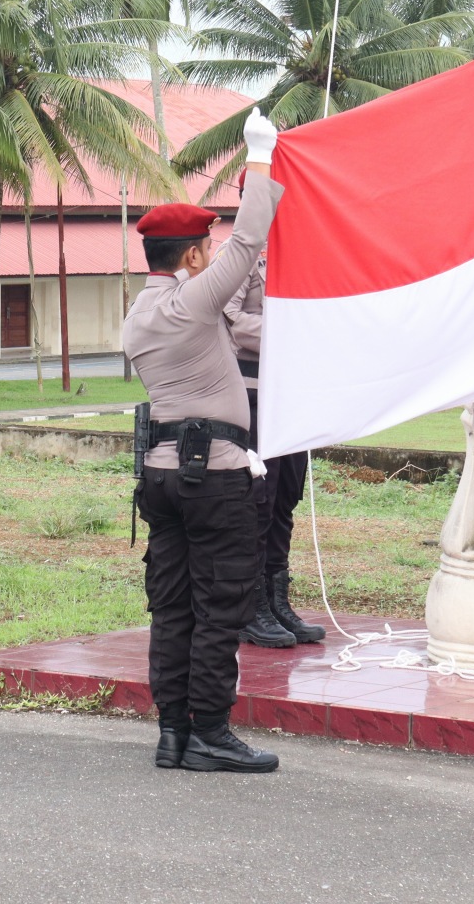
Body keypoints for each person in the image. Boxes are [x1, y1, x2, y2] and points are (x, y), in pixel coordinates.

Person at [125, 108, 283, 774]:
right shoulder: (193, 301)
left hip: (161, 476)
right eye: (206, 250)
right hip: (214, 477)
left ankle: (172, 734)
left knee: (173, 606)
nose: (213, 256)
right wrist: (260, 159)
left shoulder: (141, 309)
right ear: (191, 255)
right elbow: (248, 245)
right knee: (221, 603)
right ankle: (212, 733)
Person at [225, 256, 325, 648]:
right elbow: (229, 315)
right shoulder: (242, 255)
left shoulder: (303, 251)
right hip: (253, 391)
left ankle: (277, 601)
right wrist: (287, 331)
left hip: (291, 393)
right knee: (259, 501)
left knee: (285, 497)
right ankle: (251, 609)